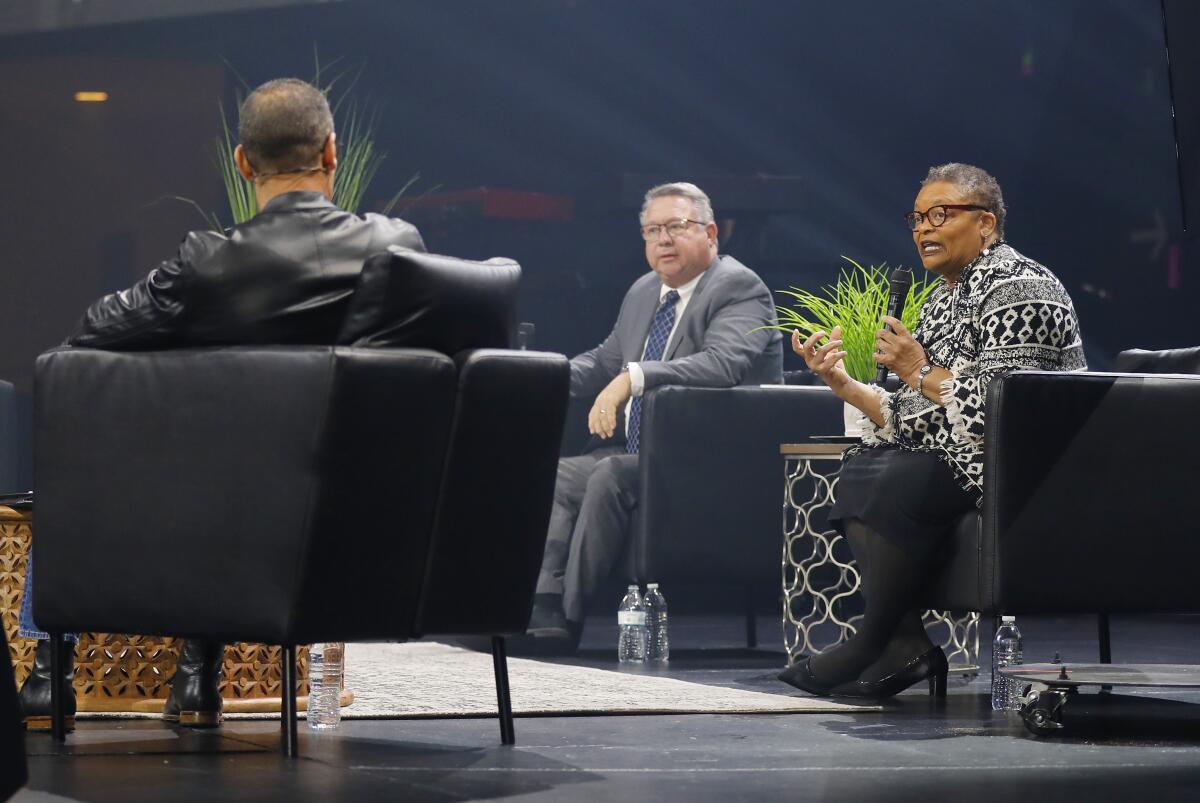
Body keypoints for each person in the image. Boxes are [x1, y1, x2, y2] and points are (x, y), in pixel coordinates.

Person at [17, 77, 425, 730]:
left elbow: (95, 329)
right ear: (331, 152)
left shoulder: (209, 262)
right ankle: (196, 675)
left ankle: (48, 675)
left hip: (219, 518)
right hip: (367, 512)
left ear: (242, 163)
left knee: (87, 430)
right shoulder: (399, 247)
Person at [778, 163, 1085, 698]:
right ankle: (904, 646)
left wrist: (917, 370)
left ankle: (870, 641)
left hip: (1028, 467)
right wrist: (844, 383)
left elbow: (1005, 415)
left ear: (986, 224)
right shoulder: (944, 299)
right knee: (861, 467)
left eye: (940, 214)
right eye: (917, 218)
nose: (923, 228)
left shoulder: (1021, 288)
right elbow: (915, 411)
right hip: (963, 458)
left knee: (900, 477)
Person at [525, 182, 782, 645]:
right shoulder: (646, 291)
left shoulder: (739, 288)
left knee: (609, 475)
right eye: (651, 230)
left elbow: (722, 364)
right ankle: (539, 606)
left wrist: (634, 377)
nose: (663, 239)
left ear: (709, 233)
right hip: (642, 453)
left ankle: (567, 620)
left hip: (712, 462)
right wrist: (535, 375)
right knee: (560, 475)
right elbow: (603, 361)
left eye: (676, 227)